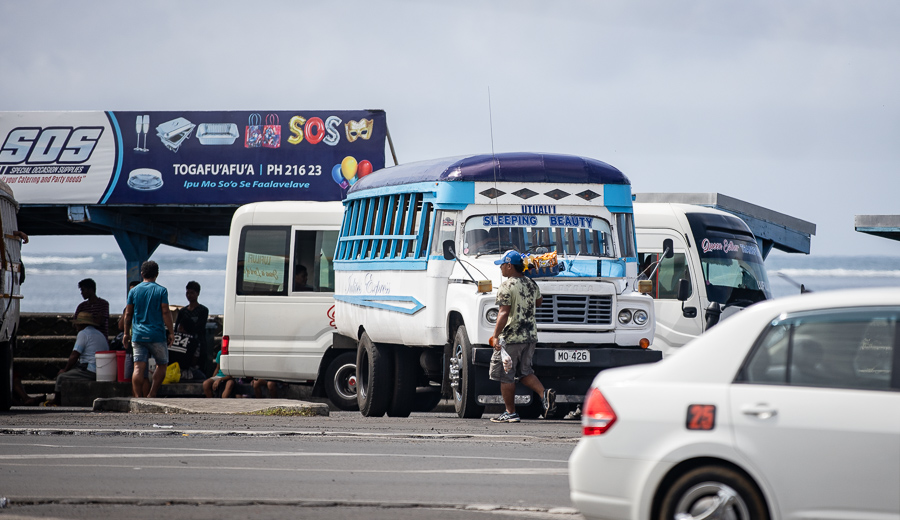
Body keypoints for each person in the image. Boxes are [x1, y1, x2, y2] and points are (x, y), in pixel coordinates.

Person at [488, 250, 555, 423]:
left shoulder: (507, 286)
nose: (501, 268)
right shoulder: (531, 283)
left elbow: (503, 313)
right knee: (525, 372)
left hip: (511, 337)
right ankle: (543, 394)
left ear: (509, 265)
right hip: (530, 336)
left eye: (502, 265)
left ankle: (510, 412)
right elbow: (539, 302)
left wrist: (495, 336)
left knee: (506, 375)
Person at [123, 261, 175, 398]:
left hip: (138, 334)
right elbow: (165, 312)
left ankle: (138, 397)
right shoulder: (161, 290)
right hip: (156, 335)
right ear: (157, 274)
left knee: (138, 368)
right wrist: (171, 331)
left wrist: (125, 333)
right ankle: (152, 394)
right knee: (162, 365)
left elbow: (128, 314)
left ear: (142, 274)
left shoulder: (133, 291)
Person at [50, 312, 109, 405]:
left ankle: (56, 400)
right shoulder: (99, 333)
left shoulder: (83, 333)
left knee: (61, 377)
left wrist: (65, 370)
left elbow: (75, 355)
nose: (75, 326)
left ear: (81, 324)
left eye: (77, 323)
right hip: (103, 370)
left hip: (90, 370)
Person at [173, 281, 209, 380]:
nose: (189, 295)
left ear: (198, 294)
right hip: (184, 344)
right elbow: (177, 328)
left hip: (199, 343)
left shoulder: (203, 310)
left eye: (192, 293)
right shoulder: (183, 311)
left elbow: (200, 327)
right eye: (187, 293)